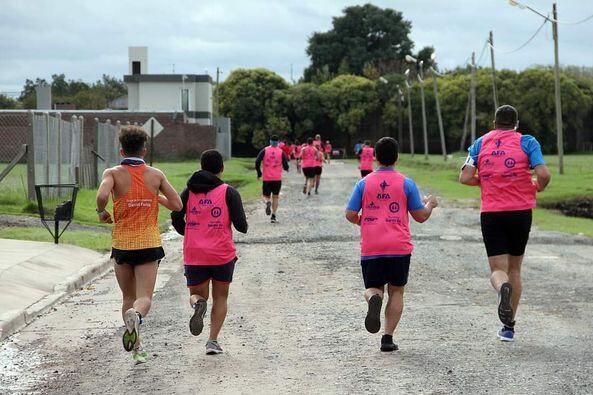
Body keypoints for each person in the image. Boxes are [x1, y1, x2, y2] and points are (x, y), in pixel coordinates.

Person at [459, 105, 551, 342]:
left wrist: (485, 181)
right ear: (516, 124)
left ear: (494, 123)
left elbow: (465, 177)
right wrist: (536, 187)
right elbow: (544, 174)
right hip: (520, 212)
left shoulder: (479, 143)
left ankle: (502, 289)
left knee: (498, 270)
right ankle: (508, 327)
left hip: (492, 213)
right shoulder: (528, 142)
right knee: (515, 269)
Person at [96, 126, 182, 363]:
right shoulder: (156, 175)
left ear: (121, 149)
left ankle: (138, 349)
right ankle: (138, 316)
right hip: (148, 244)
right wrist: (157, 197)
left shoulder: (112, 173)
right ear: (144, 150)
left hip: (122, 244)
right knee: (144, 298)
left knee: (127, 296)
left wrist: (102, 211)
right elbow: (177, 205)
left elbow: (102, 196)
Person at [345, 137, 438, 352]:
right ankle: (387, 338)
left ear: (375, 157)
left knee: (372, 288)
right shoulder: (406, 183)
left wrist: (363, 221)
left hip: (372, 245)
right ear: (397, 157)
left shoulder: (364, 183)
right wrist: (430, 204)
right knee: (397, 292)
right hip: (398, 246)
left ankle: (373, 299)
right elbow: (421, 216)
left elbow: (350, 214)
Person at [171, 149, 248, 355]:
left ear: (201, 166)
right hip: (222, 254)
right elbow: (242, 226)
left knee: (197, 294)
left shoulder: (188, 191)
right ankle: (212, 341)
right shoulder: (228, 192)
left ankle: (199, 305)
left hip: (195, 253)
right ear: (221, 169)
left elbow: (175, 215)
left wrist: (186, 233)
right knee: (221, 297)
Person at [255, 135, 289, 223]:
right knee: (276, 197)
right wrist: (286, 168)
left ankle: (267, 203)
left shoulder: (265, 150)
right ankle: (273, 216)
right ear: (278, 142)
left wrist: (259, 173)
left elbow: (257, 161)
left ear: (270, 141)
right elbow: (285, 165)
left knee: (265, 196)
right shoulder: (281, 152)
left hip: (267, 179)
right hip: (277, 179)